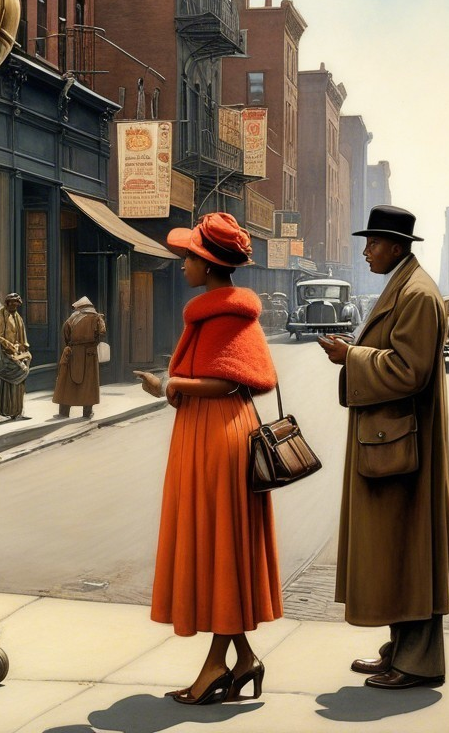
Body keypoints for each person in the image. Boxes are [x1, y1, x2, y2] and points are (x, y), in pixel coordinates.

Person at [133, 213, 281, 706]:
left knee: (218, 540)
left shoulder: (225, 314)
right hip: (206, 430)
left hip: (219, 435)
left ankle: (217, 664)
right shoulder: (212, 310)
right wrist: (173, 387)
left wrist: (171, 385)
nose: (182, 265)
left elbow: (233, 381)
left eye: (189, 257)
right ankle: (244, 659)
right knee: (218, 542)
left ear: (209, 264)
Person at [317, 205, 449, 691]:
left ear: (396, 248)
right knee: (398, 549)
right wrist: (355, 354)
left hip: (402, 446)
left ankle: (418, 661)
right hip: (393, 441)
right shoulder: (405, 286)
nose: (366, 251)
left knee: (410, 547)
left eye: (373, 244)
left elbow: (409, 371)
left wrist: (350, 356)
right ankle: (401, 650)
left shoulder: (416, 294)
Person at [52, 296, 105, 418]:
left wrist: (70, 346)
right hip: (90, 354)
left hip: (73, 353)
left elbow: (65, 333)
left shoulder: (72, 318)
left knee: (67, 383)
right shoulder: (97, 317)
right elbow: (102, 333)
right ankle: (87, 412)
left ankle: (64, 412)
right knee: (89, 384)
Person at [0, 292, 31, 420]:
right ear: (7, 303)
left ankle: (17, 411)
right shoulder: (1, 315)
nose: (14, 306)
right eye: (12, 303)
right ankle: (3, 408)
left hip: (16, 353)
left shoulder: (17, 316)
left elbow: (21, 335)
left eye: (16, 304)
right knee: (11, 378)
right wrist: (8, 345)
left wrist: (21, 348)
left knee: (19, 380)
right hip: (5, 354)